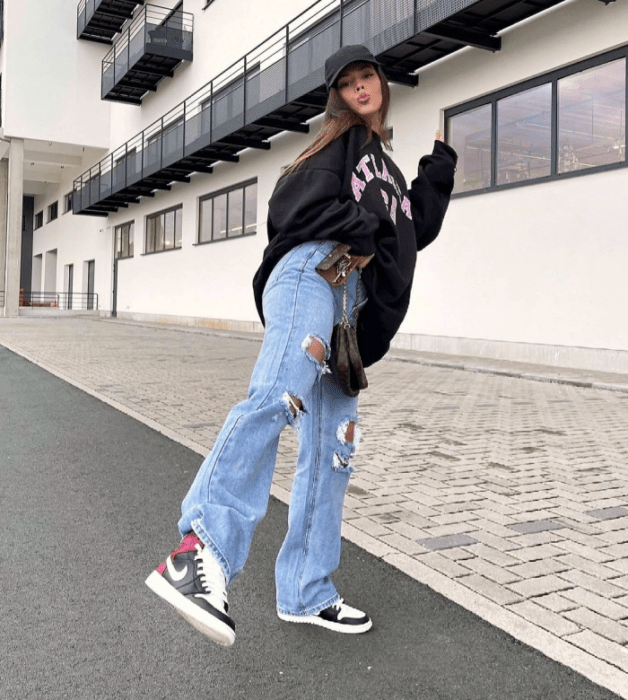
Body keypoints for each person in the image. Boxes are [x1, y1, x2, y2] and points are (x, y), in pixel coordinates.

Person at [145, 44, 458, 647]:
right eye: (348, 81)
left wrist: (437, 167)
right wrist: (364, 228)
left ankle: (305, 591)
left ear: (382, 85)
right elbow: (295, 205)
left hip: (352, 311)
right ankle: (198, 553)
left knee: (335, 449)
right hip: (314, 275)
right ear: (336, 95)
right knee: (279, 394)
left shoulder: (387, 173)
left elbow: (411, 229)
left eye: (369, 77)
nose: (362, 86)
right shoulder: (335, 144)